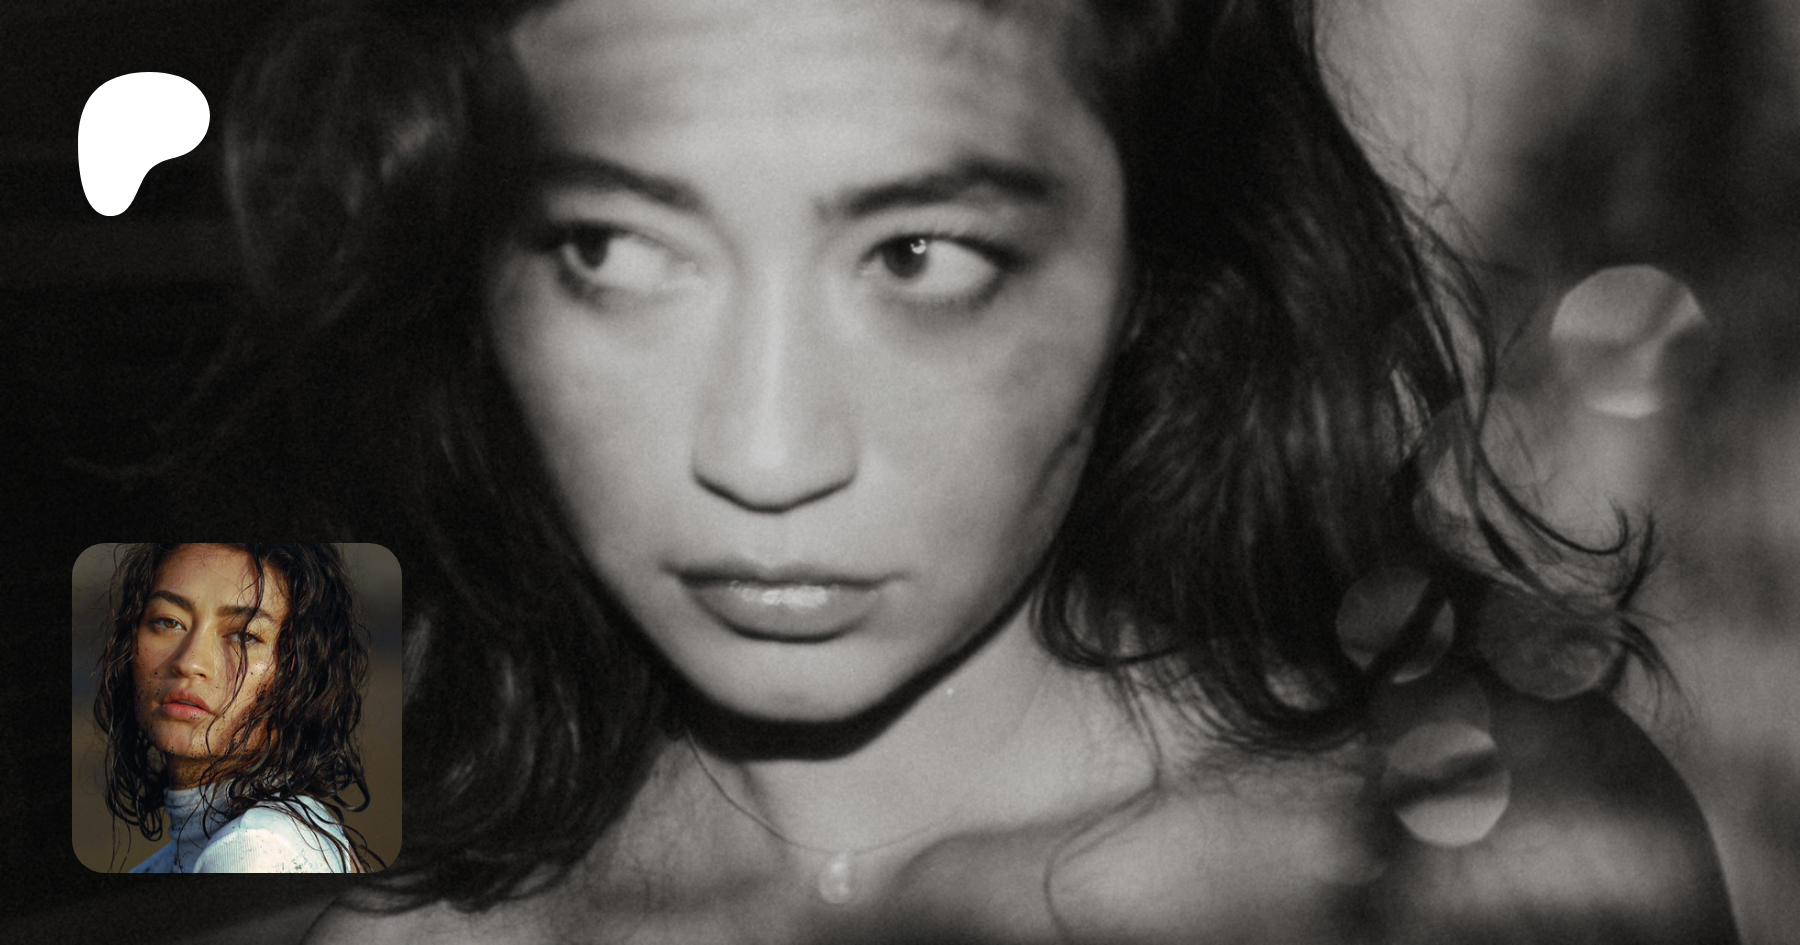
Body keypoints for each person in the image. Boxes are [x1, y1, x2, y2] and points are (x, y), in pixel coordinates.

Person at [195, 0, 1736, 939]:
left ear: (1148, 259)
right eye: (612, 249)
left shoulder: (1470, 868)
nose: (766, 454)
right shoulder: (383, 881)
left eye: (922, 257)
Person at [92, 543, 375, 873]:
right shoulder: (230, 846)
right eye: (168, 622)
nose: (189, 662)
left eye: (244, 635)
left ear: (300, 673)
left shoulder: (257, 849)